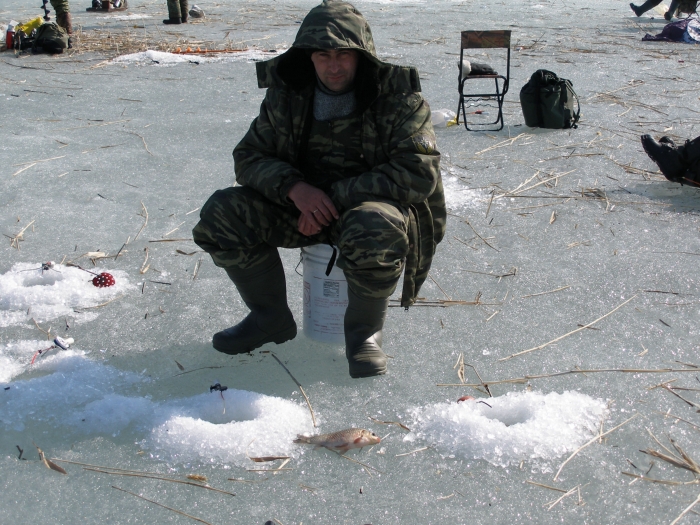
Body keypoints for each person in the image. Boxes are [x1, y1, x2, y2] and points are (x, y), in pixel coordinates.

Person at [192, 0, 446, 378]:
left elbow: (417, 172)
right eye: (323, 55)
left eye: (344, 54)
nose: (334, 65)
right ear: (308, 57)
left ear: (363, 56)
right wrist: (295, 190)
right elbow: (249, 157)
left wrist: (331, 200)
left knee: (374, 226)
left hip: (368, 212)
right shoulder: (287, 95)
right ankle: (270, 317)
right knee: (222, 213)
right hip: (299, 210)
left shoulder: (399, 99)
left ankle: (364, 335)